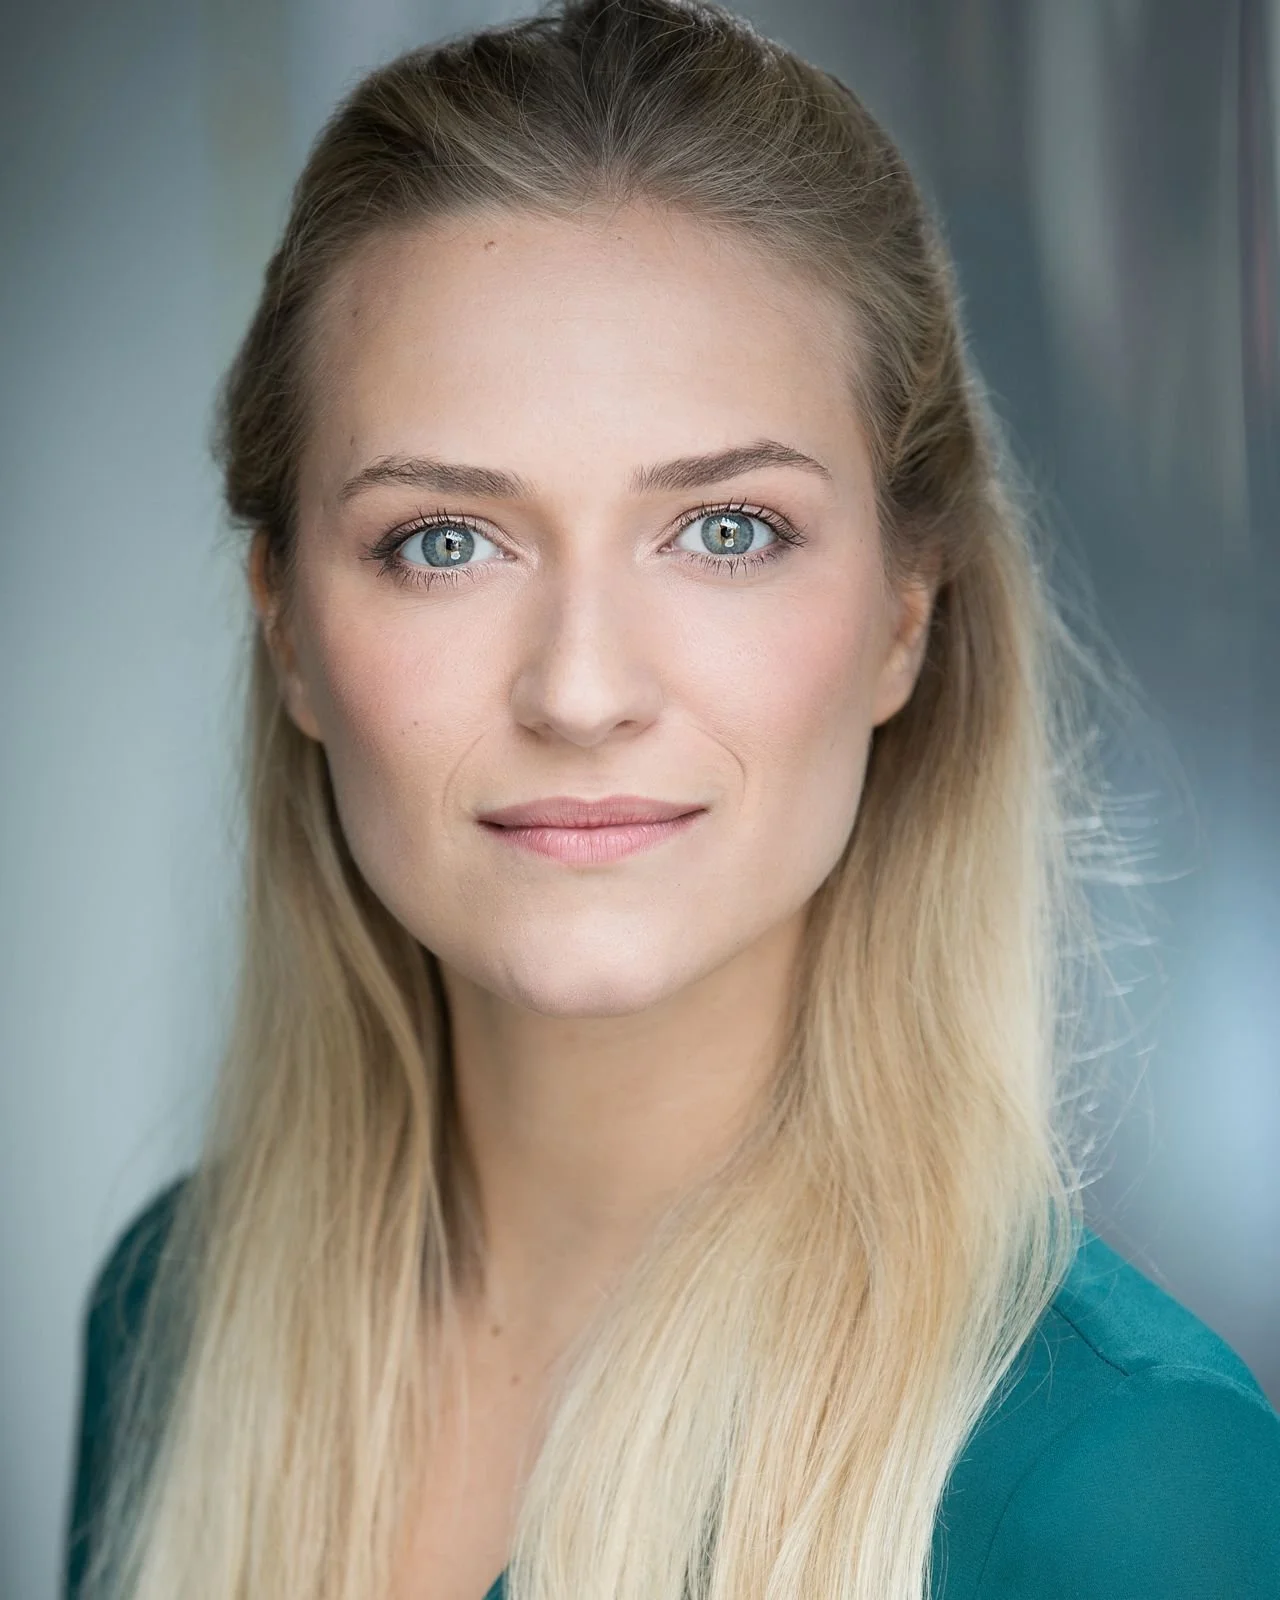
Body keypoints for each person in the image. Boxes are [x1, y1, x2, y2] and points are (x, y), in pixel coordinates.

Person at [64, 2, 1280, 1598]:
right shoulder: (174, 1307)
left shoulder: (1127, 1487)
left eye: (723, 531)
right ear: (289, 627)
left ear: (907, 615)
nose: (580, 690)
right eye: (444, 539)